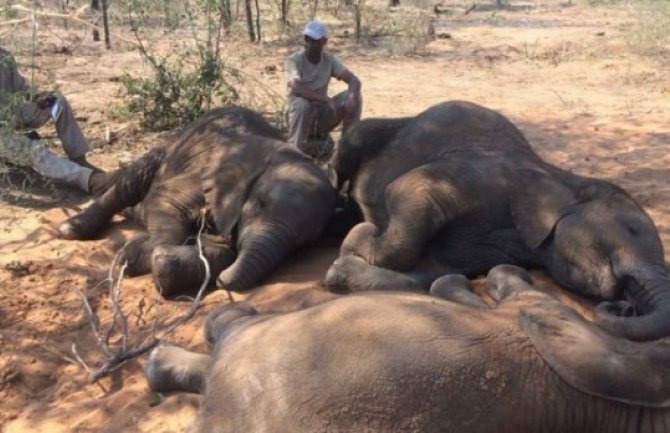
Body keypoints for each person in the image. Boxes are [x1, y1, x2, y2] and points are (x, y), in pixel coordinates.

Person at [0, 47, 110, 194]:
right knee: (34, 151)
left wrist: (37, 97)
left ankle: (79, 158)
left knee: (58, 101)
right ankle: (88, 180)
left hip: (12, 115)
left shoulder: (4, 55)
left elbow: (22, 88)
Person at [285, 20, 362, 158]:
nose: (311, 44)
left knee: (355, 97)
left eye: (315, 41)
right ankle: (294, 152)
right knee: (302, 104)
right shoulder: (294, 60)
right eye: (308, 39)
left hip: (321, 114)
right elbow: (296, 87)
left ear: (324, 42)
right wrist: (325, 99)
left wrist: (351, 97)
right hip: (299, 115)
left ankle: (346, 148)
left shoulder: (329, 60)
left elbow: (354, 80)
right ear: (304, 40)